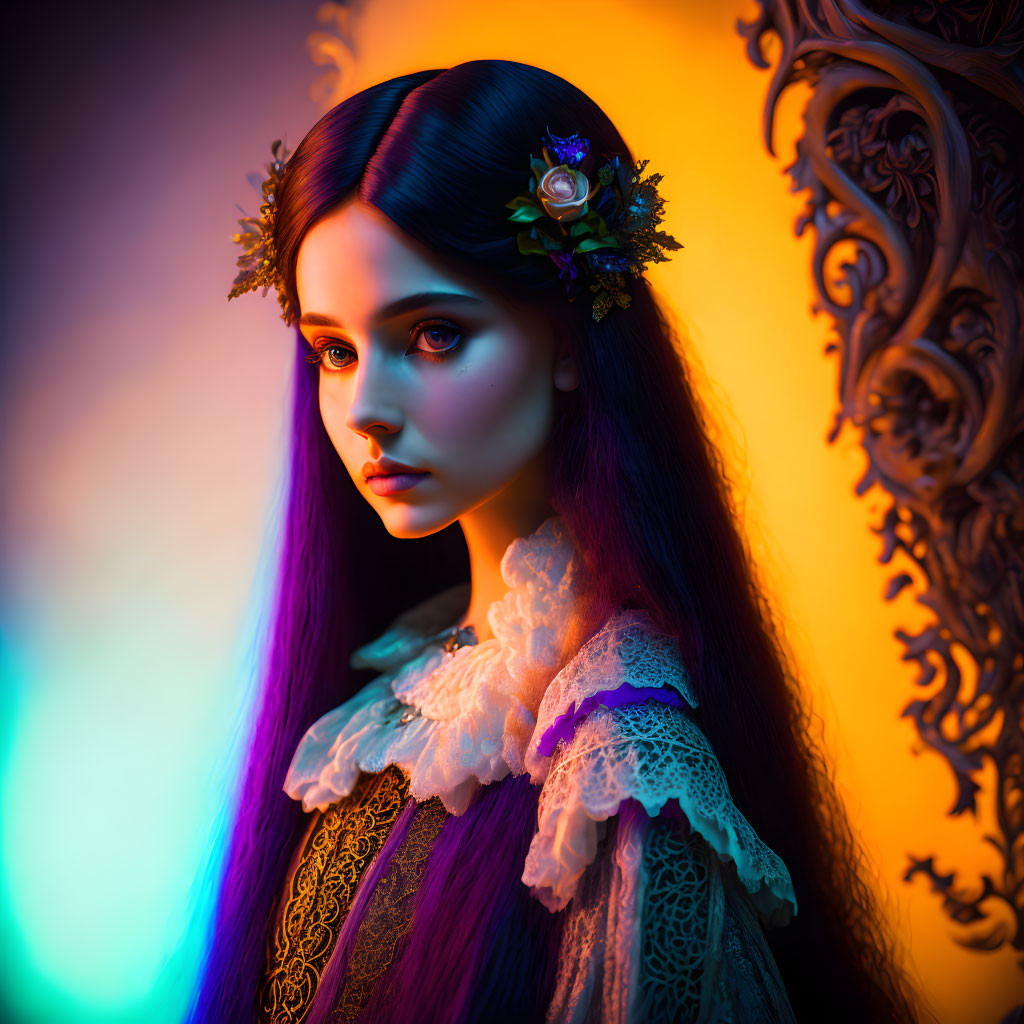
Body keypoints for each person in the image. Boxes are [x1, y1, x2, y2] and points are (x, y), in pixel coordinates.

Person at [188, 59, 919, 1023]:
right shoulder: (396, 686)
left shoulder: (621, 754)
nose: (364, 408)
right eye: (335, 349)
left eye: (436, 334)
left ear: (570, 343)